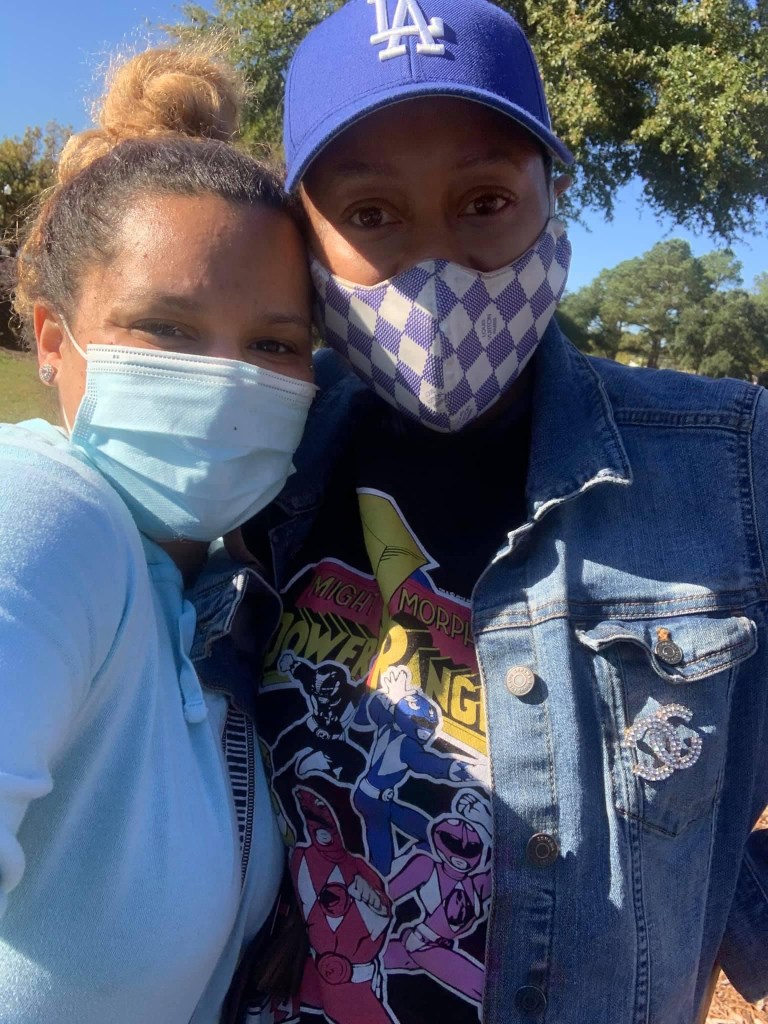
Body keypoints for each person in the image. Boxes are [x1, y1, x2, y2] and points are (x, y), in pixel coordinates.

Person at [233, 1, 768, 1022]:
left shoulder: (728, 459)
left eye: (483, 201)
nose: (435, 270)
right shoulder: (259, 455)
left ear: (552, 199)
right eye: (371, 215)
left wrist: (712, 898)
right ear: (305, 237)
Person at [0, 48, 317, 1024]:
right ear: (53, 340)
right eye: (167, 329)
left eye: (273, 344)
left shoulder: (227, 593)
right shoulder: (46, 513)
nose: (224, 383)